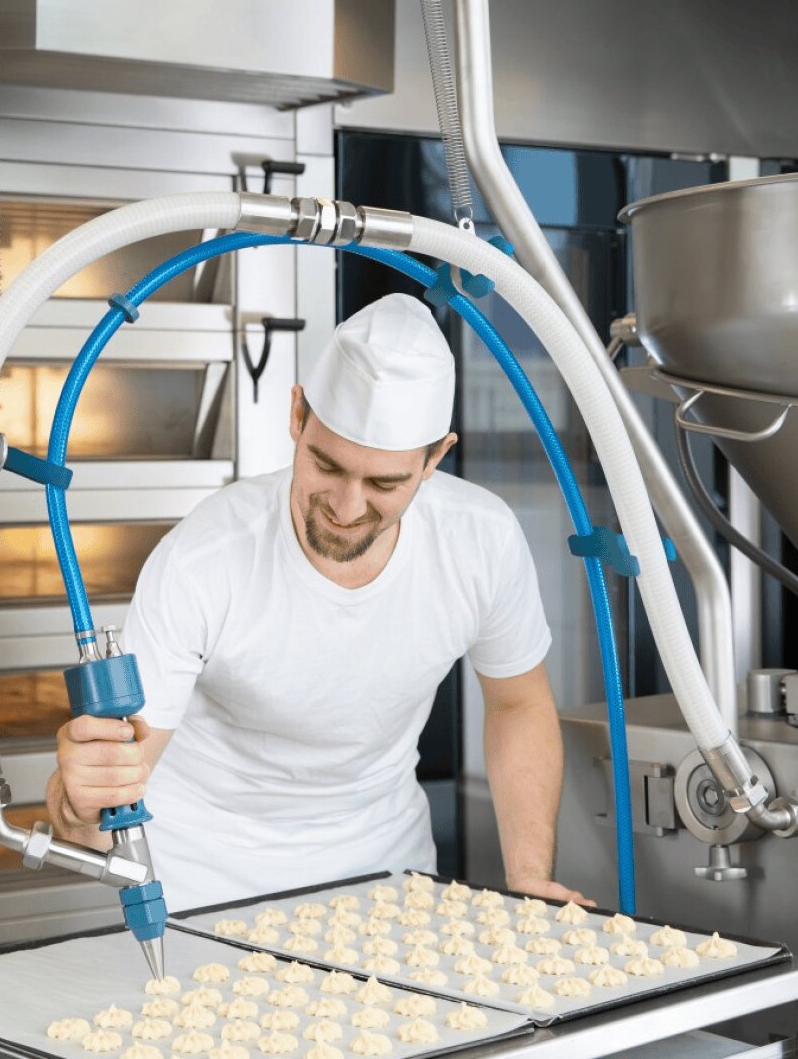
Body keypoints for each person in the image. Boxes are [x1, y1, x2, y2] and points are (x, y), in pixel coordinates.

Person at [44, 292, 591, 909]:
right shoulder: (204, 559)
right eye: (327, 466)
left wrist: (527, 874)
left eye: (385, 483)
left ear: (435, 457)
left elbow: (519, 705)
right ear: (298, 415)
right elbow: (101, 802)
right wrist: (79, 799)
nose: (347, 507)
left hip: (387, 875)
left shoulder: (481, 540)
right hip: (202, 878)